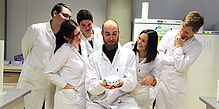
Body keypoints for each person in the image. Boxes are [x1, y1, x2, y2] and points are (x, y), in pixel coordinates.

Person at [16, 3, 71, 109]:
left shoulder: (63, 37)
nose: (67, 19)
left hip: (50, 86)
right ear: (55, 13)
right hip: (33, 83)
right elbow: (25, 51)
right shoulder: (36, 29)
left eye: (69, 17)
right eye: (65, 15)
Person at [85, 19, 140, 109]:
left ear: (118, 33)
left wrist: (122, 83)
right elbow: (90, 87)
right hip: (99, 102)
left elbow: (132, 84)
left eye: (114, 34)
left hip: (123, 101)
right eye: (107, 34)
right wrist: (101, 85)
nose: (111, 38)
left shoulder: (128, 55)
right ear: (102, 34)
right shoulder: (93, 58)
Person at [155, 11, 205, 109]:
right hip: (160, 82)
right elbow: (158, 55)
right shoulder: (170, 34)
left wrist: (178, 47)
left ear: (195, 32)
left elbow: (181, 67)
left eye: (186, 32)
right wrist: (175, 61)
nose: (182, 33)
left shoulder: (196, 46)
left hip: (175, 88)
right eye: (182, 29)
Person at [44, 19, 87, 109]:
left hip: (81, 96)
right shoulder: (64, 51)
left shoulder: (82, 45)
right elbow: (48, 72)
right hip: (67, 99)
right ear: (66, 37)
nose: (79, 37)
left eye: (79, 33)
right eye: (75, 36)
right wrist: (65, 85)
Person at [123, 29, 162, 109]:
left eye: (143, 41)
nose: (139, 42)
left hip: (142, 94)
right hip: (125, 92)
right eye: (139, 38)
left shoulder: (156, 58)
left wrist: (152, 79)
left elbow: (157, 79)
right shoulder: (128, 47)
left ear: (150, 44)